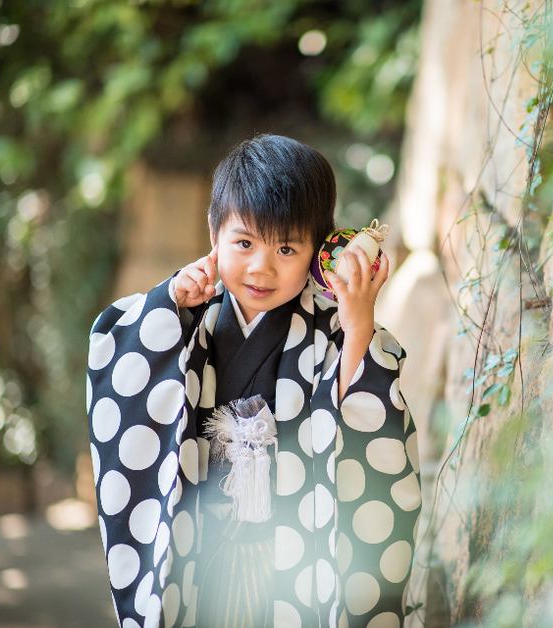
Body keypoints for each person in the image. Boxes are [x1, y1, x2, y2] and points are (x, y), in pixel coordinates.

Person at [87, 135, 421, 628]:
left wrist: (358, 326)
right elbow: (120, 359)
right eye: (243, 242)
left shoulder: (337, 326)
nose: (261, 267)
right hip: (203, 554)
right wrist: (169, 304)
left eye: (286, 247)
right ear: (213, 231)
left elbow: (366, 423)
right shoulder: (185, 315)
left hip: (298, 562)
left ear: (319, 248)